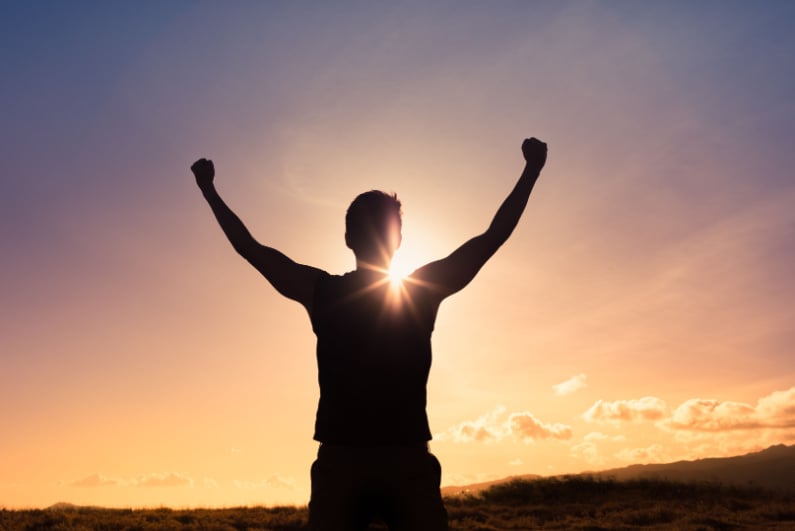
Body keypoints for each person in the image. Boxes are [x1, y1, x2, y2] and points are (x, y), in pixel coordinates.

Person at [192, 137, 548, 530]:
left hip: (348, 461)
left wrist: (209, 190)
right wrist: (531, 170)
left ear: (348, 239)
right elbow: (491, 238)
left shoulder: (322, 292)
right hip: (400, 459)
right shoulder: (418, 291)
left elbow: (251, 248)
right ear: (398, 239)